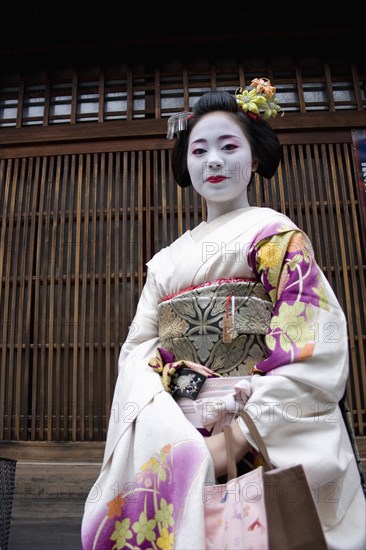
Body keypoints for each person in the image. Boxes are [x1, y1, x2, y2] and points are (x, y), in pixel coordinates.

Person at [81, 78, 366, 549]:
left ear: (253, 158)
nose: (213, 160)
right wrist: (168, 376)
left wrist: (233, 439)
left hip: (257, 425)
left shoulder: (276, 236)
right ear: (186, 163)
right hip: (178, 427)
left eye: (228, 146)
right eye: (199, 151)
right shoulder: (167, 260)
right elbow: (138, 349)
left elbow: (312, 338)